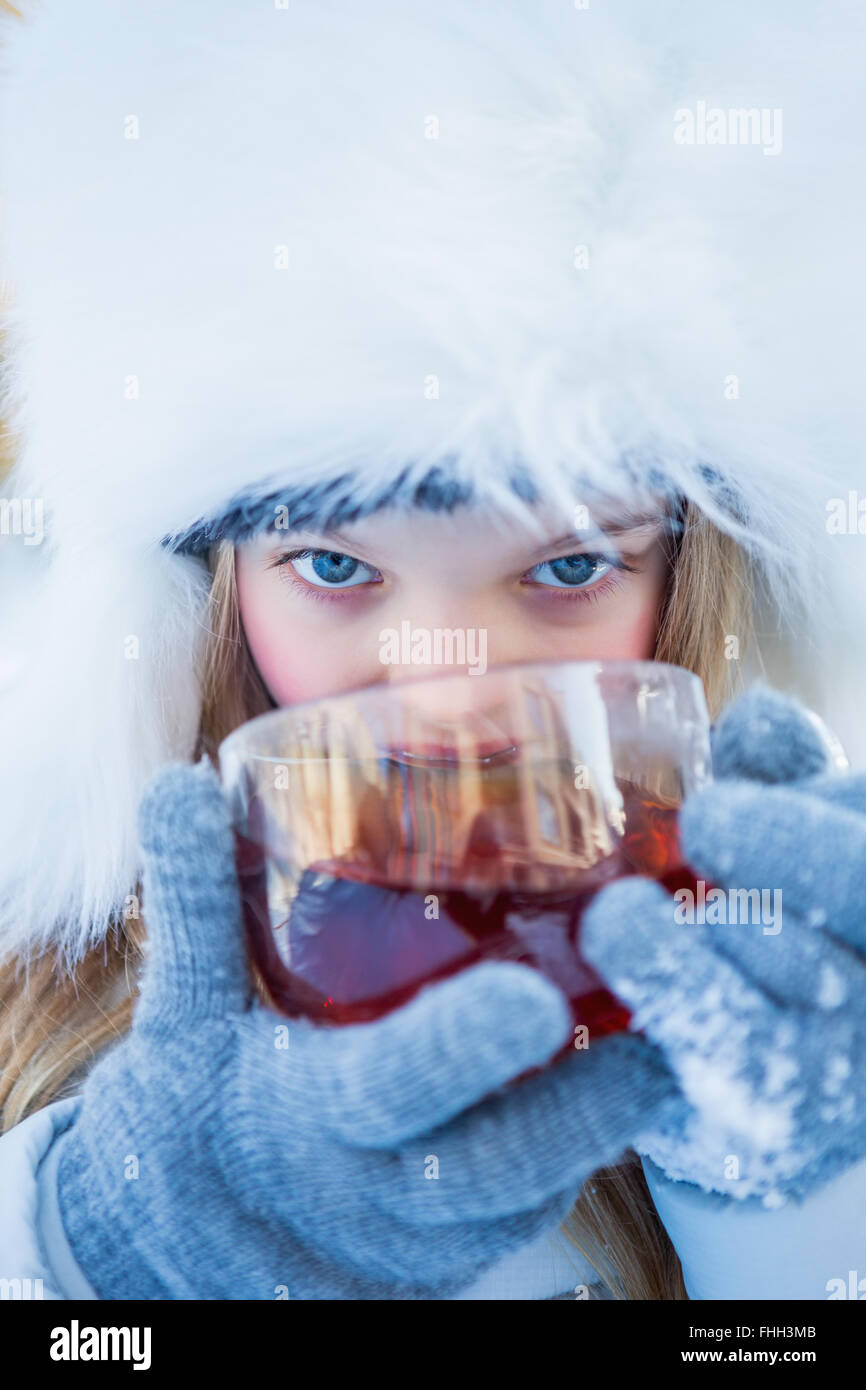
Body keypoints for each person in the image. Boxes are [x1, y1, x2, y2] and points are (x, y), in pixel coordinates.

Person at [0, 0, 865, 1301]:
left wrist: (789, 1211)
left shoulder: (799, 962)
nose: (453, 678)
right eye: (336, 566)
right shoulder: (38, 991)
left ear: (693, 576)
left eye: (569, 564)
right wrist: (104, 1256)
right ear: (199, 598)